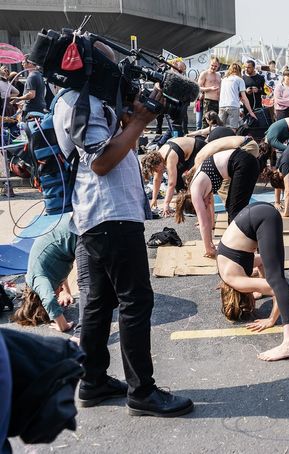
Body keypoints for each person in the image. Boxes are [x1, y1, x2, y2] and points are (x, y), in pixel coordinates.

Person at [52, 42, 193, 416]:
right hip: (109, 213)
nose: (118, 75)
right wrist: (141, 122)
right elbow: (101, 162)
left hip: (100, 215)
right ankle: (142, 392)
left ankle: (93, 380)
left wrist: (132, 116)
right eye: (112, 68)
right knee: (135, 301)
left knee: (98, 302)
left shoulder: (85, 99)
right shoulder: (80, 103)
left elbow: (109, 143)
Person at [216, 202, 289, 361]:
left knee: (276, 281)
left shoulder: (235, 280)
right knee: (275, 276)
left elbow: (276, 288)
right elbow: (262, 261)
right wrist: (259, 287)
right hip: (258, 211)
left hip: (262, 217)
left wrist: (271, 319)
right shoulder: (225, 271)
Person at [176, 145, 260, 257]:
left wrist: (208, 249)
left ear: (192, 202)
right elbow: (209, 219)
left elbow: (203, 223)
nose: (205, 205)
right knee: (231, 207)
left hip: (243, 162)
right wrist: (210, 244)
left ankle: (243, 248)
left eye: (203, 205)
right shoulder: (201, 188)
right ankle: (243, 244)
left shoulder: (195, 190)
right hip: (243, 162)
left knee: (235, 211)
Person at [11, 215, 76, 333]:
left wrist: (63, 326)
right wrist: (66, 291)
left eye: (57, 297)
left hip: (75, 229)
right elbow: (58, 270)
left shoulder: (37, 281)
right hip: (71, 226)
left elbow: (49, 300)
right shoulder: (45, 275)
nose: (57, 297)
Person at [141, 136, 207, 216]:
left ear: (159, 163)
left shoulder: (170, 157)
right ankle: (185, 203)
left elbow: (171, 184)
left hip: (199, 148)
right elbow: (156, 179)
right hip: (185, 154)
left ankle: (195, 206)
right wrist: (154, 198)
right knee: (178, 177)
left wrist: (166, 204)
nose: (158, 172)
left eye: (156, 169)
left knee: (191, 179)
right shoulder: (158, 158)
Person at [219, 62, 257, 129]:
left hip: (222, 105)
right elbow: (244, 98)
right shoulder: (239, 80)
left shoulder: (224, 80)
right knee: (233, 128)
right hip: (233, 106)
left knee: (219, 127)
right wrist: (250, 112)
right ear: (239, 71)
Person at [198, 57, 222, 128]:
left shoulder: (219, 75)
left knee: (216, 122)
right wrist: (210, 88)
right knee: (206, 121)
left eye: (215, 66)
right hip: (208, 101)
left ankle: (213, 137)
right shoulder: (205, 73)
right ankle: (203, 137)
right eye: (212, 65)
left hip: (218, 102)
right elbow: (199, 87)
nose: (213, 67)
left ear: (218, 66)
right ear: (209, 64)